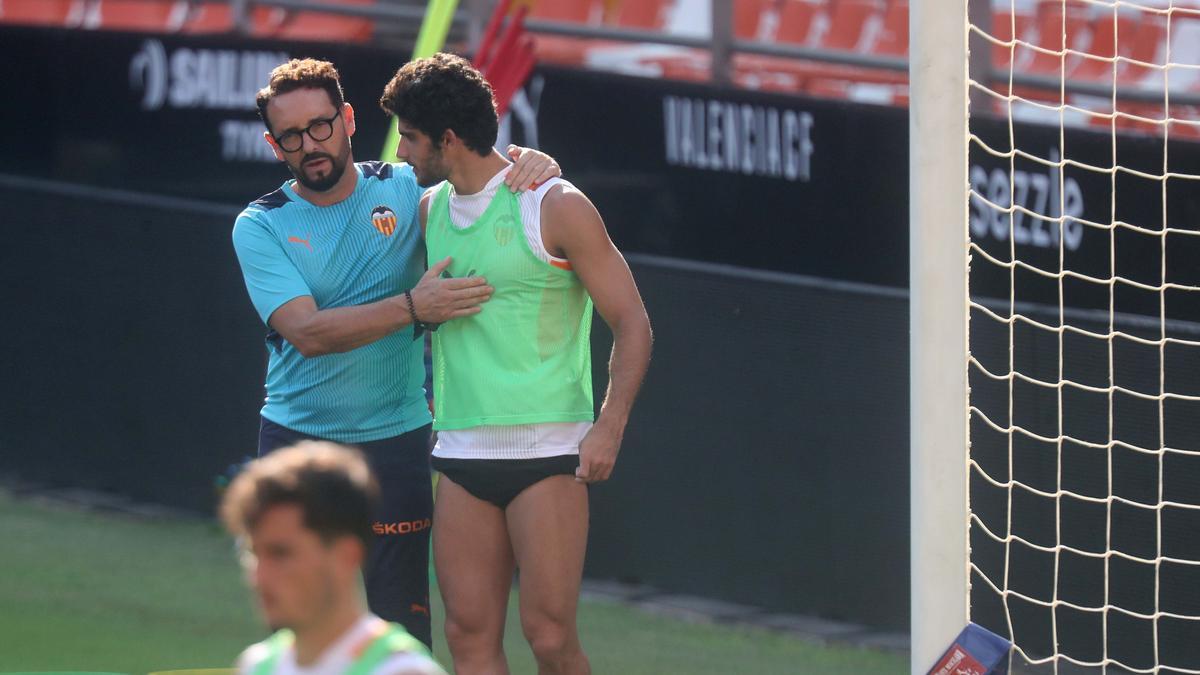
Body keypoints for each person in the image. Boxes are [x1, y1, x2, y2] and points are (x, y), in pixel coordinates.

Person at [231, 57, 561, 648]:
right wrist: (414, 307)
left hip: (397, 443)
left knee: (402, 628)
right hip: (298, 444)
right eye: (291, 136)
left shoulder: (408, 190)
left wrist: (532, 161)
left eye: (321, 125)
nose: (310, 144)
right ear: (272, 143)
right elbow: (306, 333)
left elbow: (476, 172)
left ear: (349, 119)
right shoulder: (261, 225)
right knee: (298, 630)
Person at [379, 53, 653, 675]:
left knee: (550, 638)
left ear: (447, 139)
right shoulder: (428, 211)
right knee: (468, 638)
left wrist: (608, 427)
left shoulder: (555, 204)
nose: (401, 151)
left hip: (548, 454)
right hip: (460, 456)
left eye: (411, 136)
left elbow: (633, 322)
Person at [221, 441, 447, 675]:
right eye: (253, 554)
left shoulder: (400, 670)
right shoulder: (256, 666)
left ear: (346, 555)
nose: (259, 577)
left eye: (281, 554)